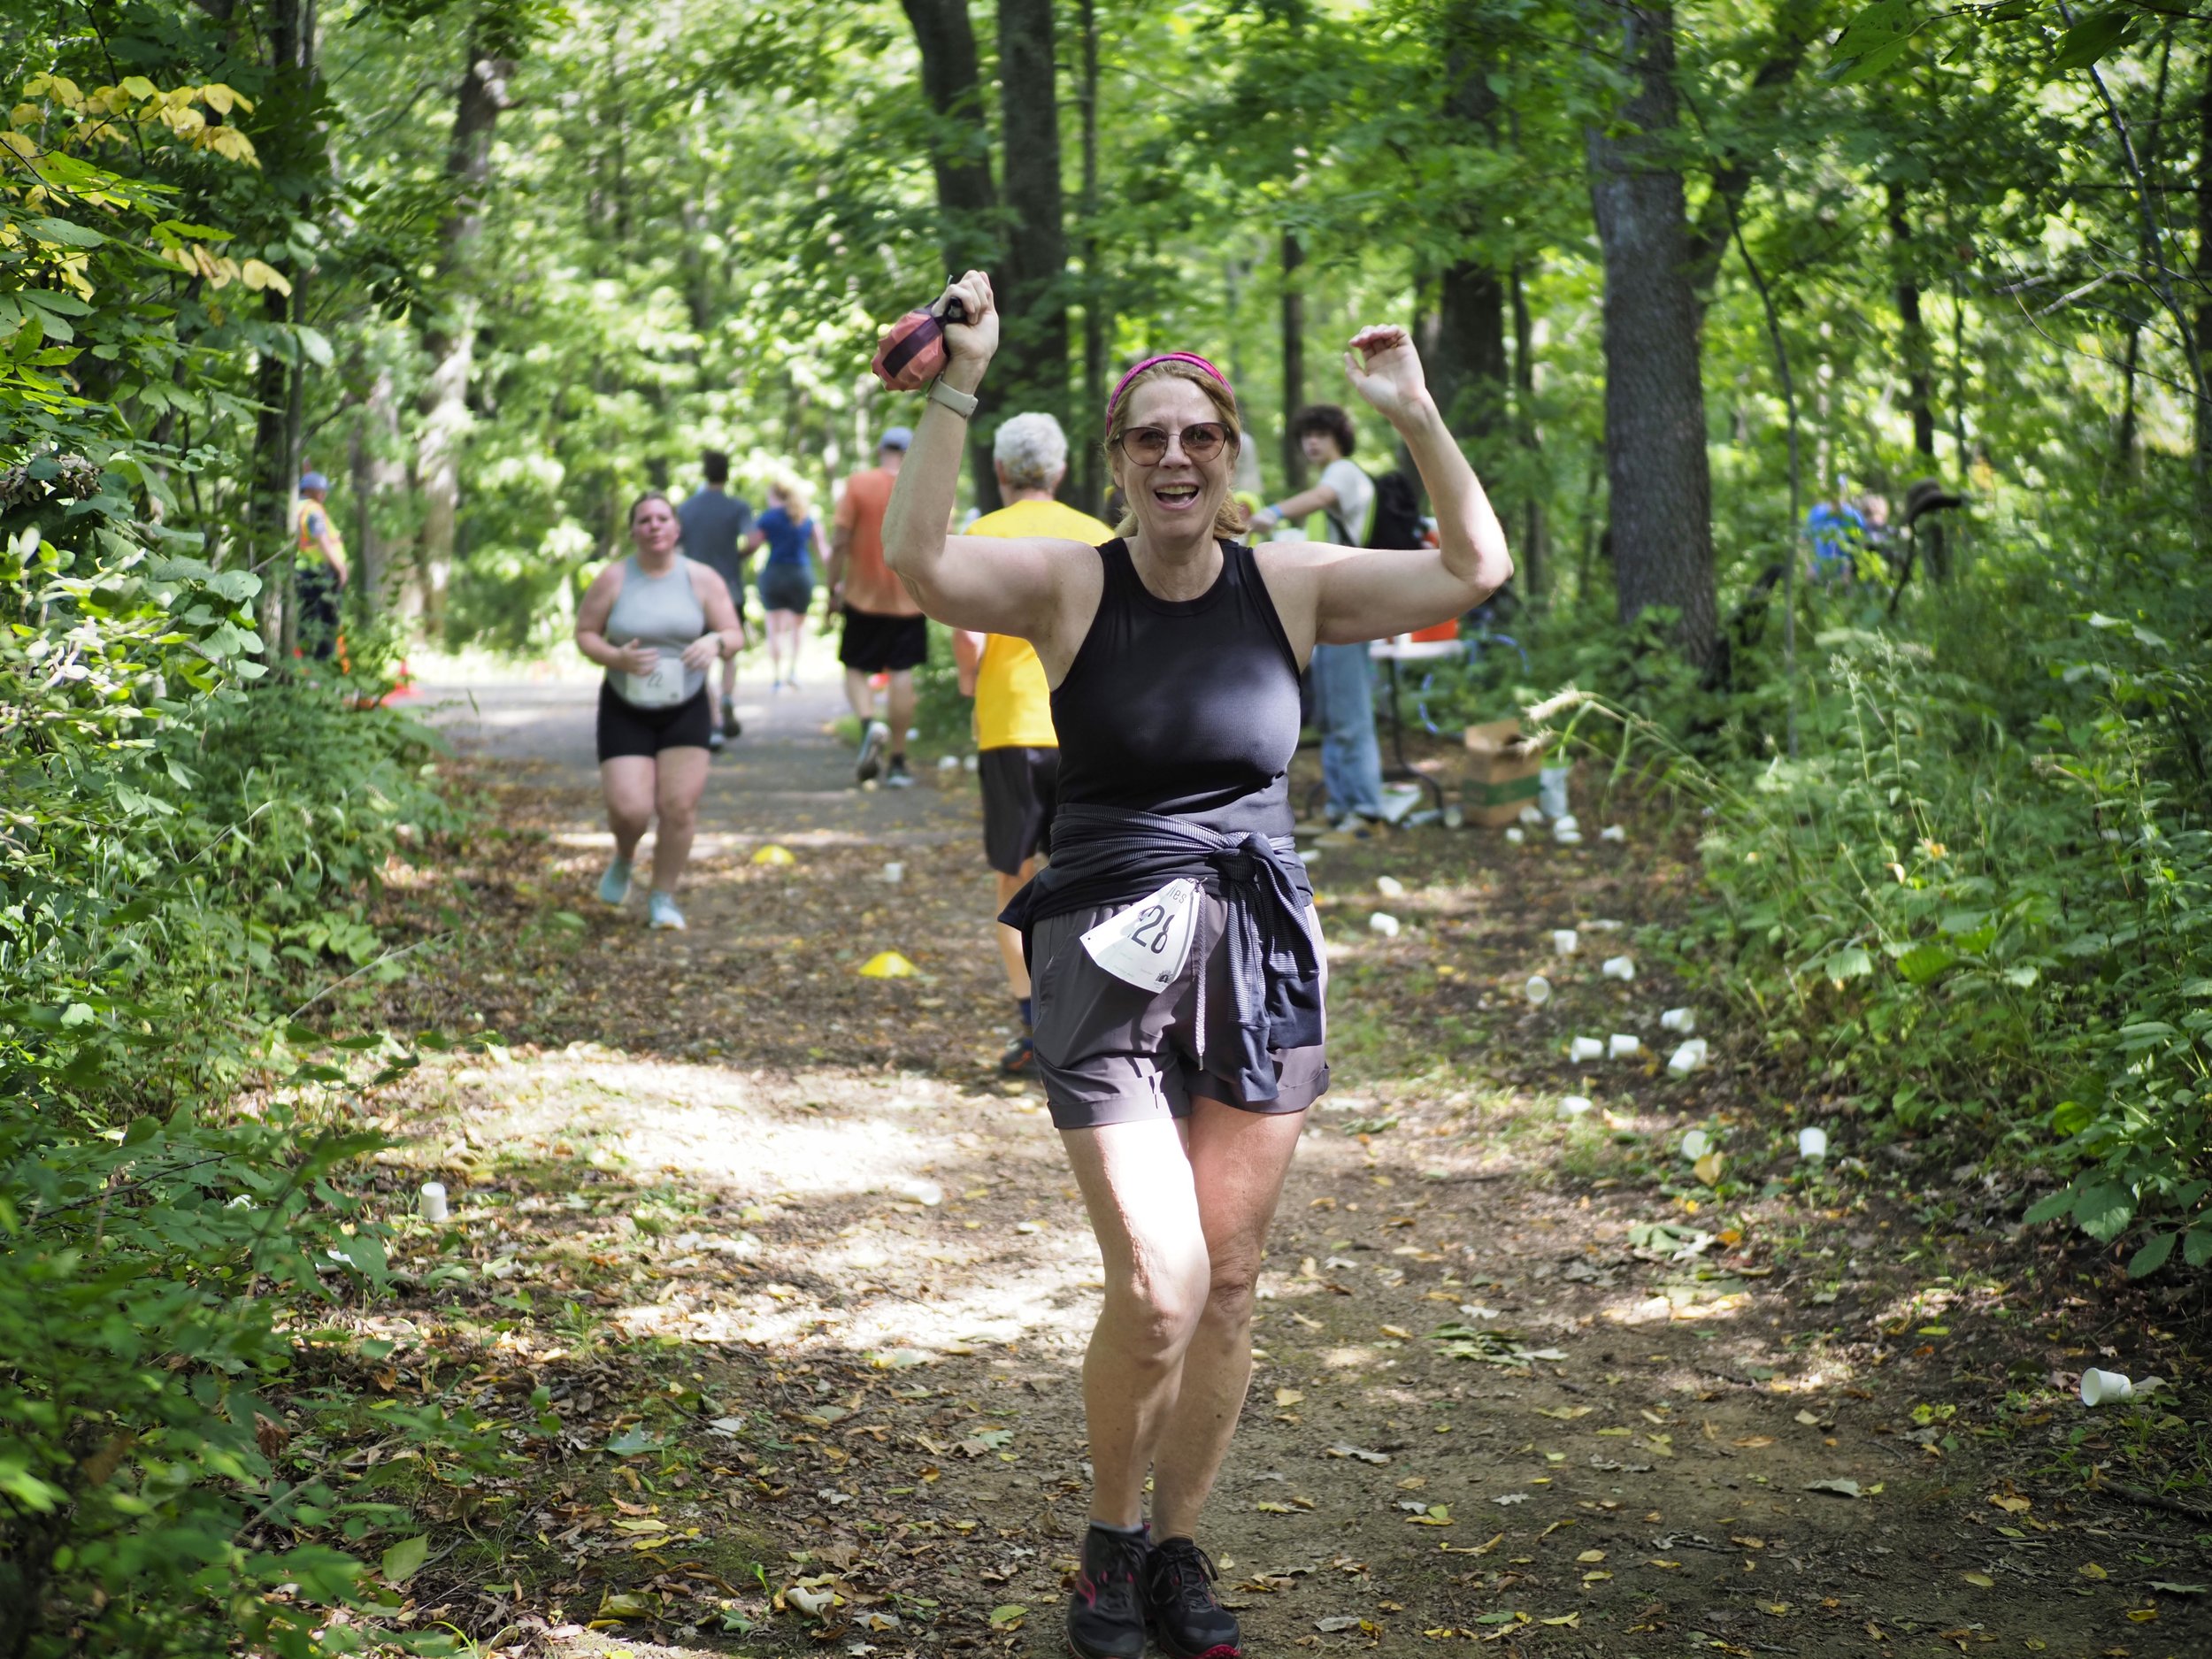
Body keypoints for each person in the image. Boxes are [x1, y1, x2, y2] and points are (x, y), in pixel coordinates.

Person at [882, 272, 1511, 1659]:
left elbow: (1476, 567)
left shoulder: (1284, 580)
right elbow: (923, 563)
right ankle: (1109, 1543)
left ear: (1228, 457)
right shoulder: (1066, 579)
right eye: (1149, 437)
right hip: (1105, 942)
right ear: (1116, 462)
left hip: (1260, 939)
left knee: (1227, 1278)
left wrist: (1413, 413)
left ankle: (1179, 1550)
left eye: (1200, 438)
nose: (1176, 457)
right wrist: (957, 382)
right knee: (1158, 1279)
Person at [951, 413, 1114, 1076]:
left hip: (1013, 725)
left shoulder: (981, 536)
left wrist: (971, 682)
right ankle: (1097, 1020)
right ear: (1062, 471)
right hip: (1091, 730)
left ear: (999, 472)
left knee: (1015, 880)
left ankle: (1033, 1026)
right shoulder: (1102, 537)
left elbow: (969, 636)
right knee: (1098, 877)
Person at [574, 492, 745, 931]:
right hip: (625, 704)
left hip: (686, 705)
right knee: (630, 810)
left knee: (679, 808)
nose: (654, 526)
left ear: (676, 528)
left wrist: (714, 643)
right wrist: (616, 658)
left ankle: (663, 897)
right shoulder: (613, 579)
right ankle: (625, 855)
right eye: (644, 520)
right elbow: (586, 633)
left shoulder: (701, 579)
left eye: (662, 518)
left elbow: (734, 633)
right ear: (633, 531)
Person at [1250, 405, 1386, 838]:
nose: (1312, 442)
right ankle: (1341, 810)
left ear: (1339, 439)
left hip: (1350, 609)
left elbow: (1322, 498)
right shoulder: (1327, 484)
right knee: (1331, 716)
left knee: (1350, 715)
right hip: (1328, 614)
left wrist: (1271, 511)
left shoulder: (1343, 474)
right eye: (1306, 435)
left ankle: (1365, 814)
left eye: (1321, 434)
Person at [829, 427, 924, 787]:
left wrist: (831, 589)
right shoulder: (921, 485)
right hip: (911, 597)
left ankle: (869, 724)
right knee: (902, 673)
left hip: (861, 596)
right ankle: (898, 763)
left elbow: (839, 542)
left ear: (881, 449)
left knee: (854, 666)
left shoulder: (858, 484)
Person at [678, 449, 756, 749]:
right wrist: (737, 557)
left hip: (693, 592)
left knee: (701, 656)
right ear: (727, 474)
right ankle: (726, 698)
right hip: (730, 588)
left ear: (704, 472)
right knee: (729, 650)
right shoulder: (737, 507)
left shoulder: (686, 509)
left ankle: (712, 722)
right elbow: (754, 539)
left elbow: (676, 547)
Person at [745, 475, 828, 690]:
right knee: (797, 628)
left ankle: (776, 677)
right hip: (801, 575)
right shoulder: (806, 517)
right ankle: (793, 670)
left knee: (773, 628)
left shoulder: (768, 518)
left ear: (774, 496)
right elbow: (823, 552)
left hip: (774, 574)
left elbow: (752, 545)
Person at [294, 471, 350, 661]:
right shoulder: (313, 510)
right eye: (321, 490)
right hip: (320, 573)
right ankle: (321, 664)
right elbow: (322, 540)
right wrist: (340, 568)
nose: (324, 494)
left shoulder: (297, 507)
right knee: (329, 620)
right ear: (309, 490)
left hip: (304, 572)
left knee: (307, 618)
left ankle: (303, 662)